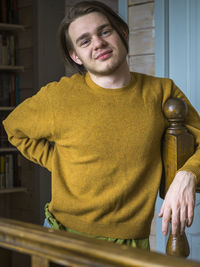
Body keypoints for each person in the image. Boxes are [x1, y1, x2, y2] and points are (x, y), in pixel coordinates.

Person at [3, 1, 200, 250]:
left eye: (105, 31)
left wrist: (188, 174)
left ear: (122, 33)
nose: (97, 43)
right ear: (76, 55)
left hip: (129, 245)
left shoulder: (162, 91)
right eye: (84, 41)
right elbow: (14, 128)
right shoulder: (59, 96)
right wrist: (60, 163)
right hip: (62, 238)